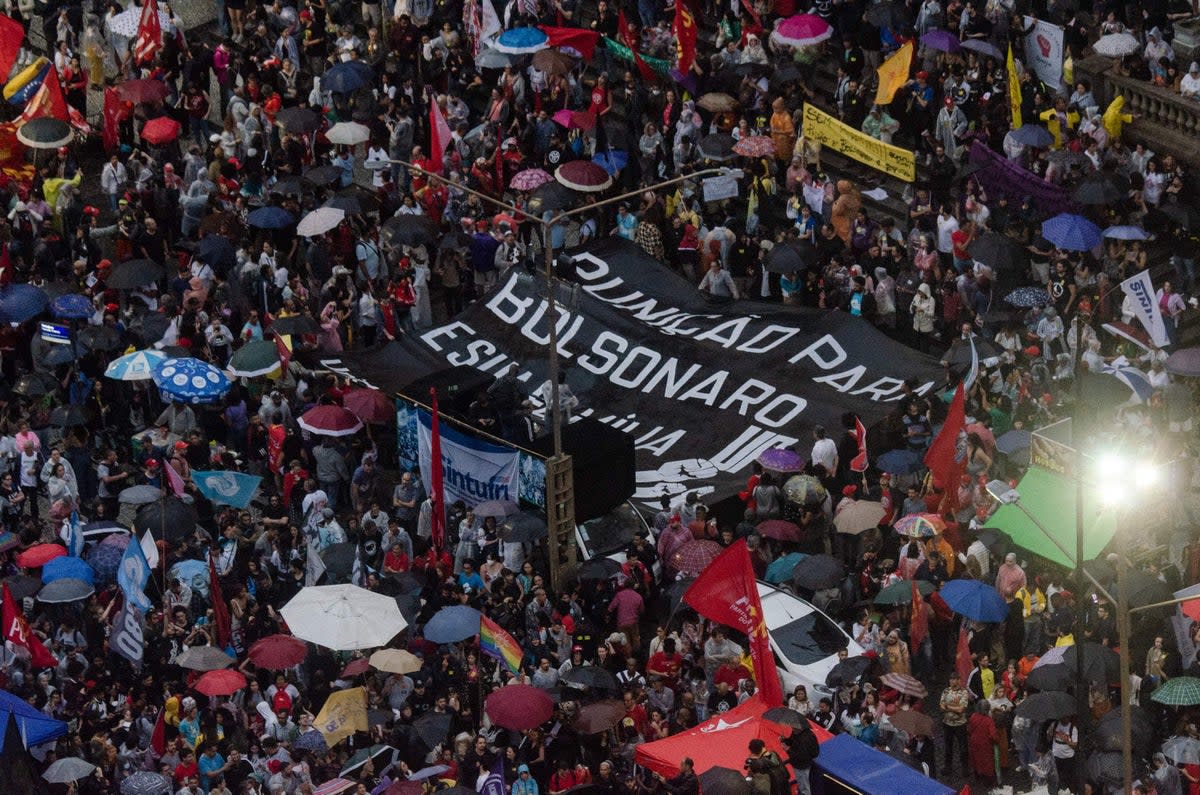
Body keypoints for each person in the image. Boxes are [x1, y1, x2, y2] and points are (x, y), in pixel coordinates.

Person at [940, 674, 970, 776]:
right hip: (947, 723)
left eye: (954, 679)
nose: (952, 681)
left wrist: (948, 706)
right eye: (951, 679)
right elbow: (941, 706)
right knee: (948, 747)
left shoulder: (964, 692)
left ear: (958, 680)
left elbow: (961, 709)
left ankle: (965, 768)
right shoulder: (946, 691)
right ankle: (948, 767)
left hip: (960, 724)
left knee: (963, 748)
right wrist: (954, 707)